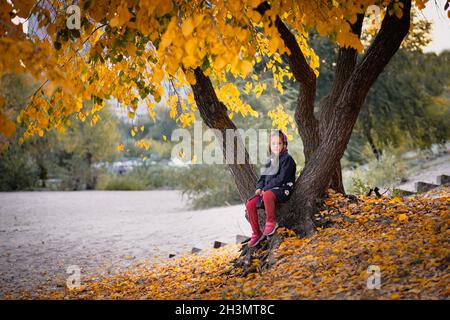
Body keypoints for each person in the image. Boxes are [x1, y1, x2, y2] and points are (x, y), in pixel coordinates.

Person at [245, 130, 296, 247]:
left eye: (279, 143)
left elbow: (281, 178)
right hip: (266, 192)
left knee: (267, 194)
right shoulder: (268, 162)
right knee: (250, 204)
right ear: (269, 145)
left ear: (284, 145)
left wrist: (265, 189)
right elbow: (262, 179)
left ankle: (271, 222)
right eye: (273, 144)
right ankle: (256, 233)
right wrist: (259, 188)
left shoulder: (287, 159)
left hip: (283, 189)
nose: (276, 146)